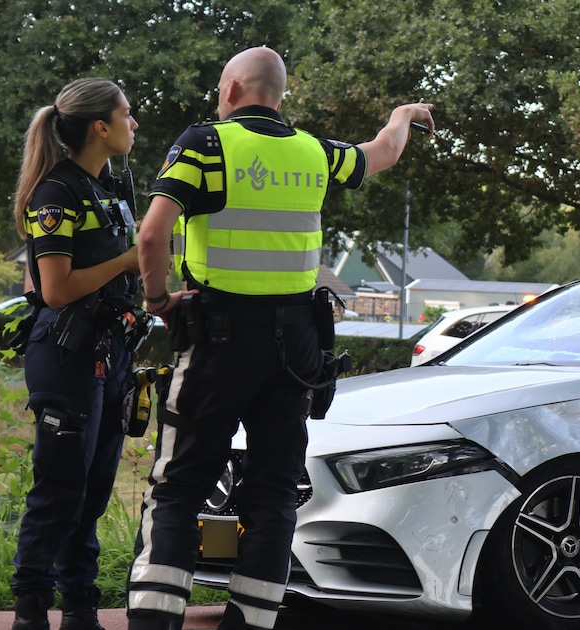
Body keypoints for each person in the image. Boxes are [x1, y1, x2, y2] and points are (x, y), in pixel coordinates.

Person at [126, 46, 434, 630]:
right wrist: (402, 114)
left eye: (222, 89)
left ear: (233, 90)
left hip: (219, 339)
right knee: (272, 496)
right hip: (295, 350)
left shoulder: (205, 144)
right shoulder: (314, 152)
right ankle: (251, 622)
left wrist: (159, 301)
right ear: (279, 95)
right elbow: (382, 153)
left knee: (179, 487)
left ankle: (154, 620)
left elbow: (152, 235)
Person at [10, 78, 143, 630]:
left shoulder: (112, 190)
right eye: (127, 114)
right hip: (65, 354)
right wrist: (131, 259)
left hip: (111, 355)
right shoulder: (56, 194)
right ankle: (30, 608)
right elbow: (56, 289)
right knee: (60, 489)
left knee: (92, 491)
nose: (134, 124)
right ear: (99, 126)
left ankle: (81, 606)